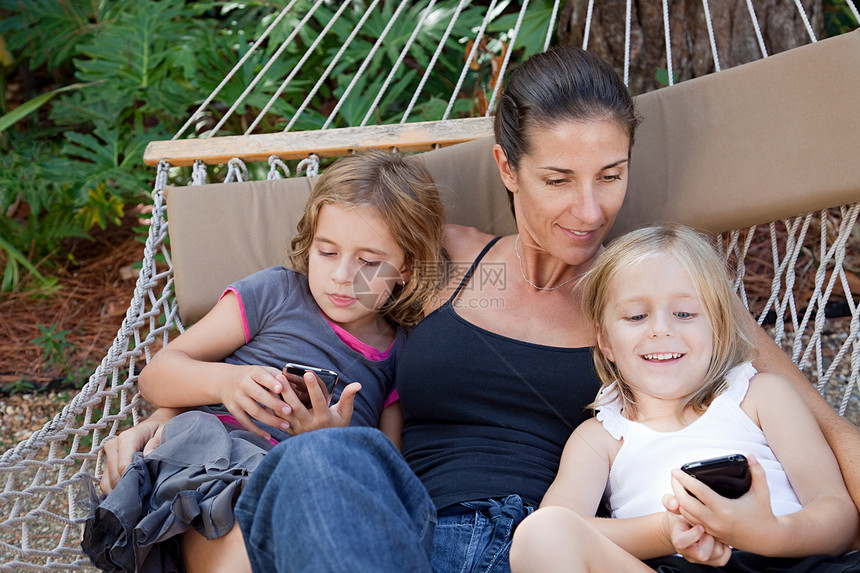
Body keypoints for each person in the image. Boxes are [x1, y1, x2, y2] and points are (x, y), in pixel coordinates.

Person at [101, 45, 860, 572]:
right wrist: (175, 425)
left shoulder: (651, 297)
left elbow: (819, 425)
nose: (589, 208)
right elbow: (312, 314)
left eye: (612, 174)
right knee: (319, 459)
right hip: (395, 526)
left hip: (541, 546)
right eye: (558, 177)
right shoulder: (440, 263)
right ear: (507, 166)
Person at [81, 149, 448, 573]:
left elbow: (389, 467)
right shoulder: (275, 294)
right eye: (327, 252)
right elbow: (157, 375)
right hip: (217, 463)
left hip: (318, 491)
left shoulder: (402, 351)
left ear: (407, 267)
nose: (343, 275)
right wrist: (225, 383)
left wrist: (332, 439)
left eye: (369, 262)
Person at [509, 224, 860, 572]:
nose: (661, 329)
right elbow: (563, 526)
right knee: (541, 533)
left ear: (718, 327)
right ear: (604, 342)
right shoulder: (600, 437)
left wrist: (770, 534)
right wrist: (666, 531)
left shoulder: (761, 396)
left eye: (684, 314)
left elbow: (839, 517)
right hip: (679, 568)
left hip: (793, 563)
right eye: (636, 316)